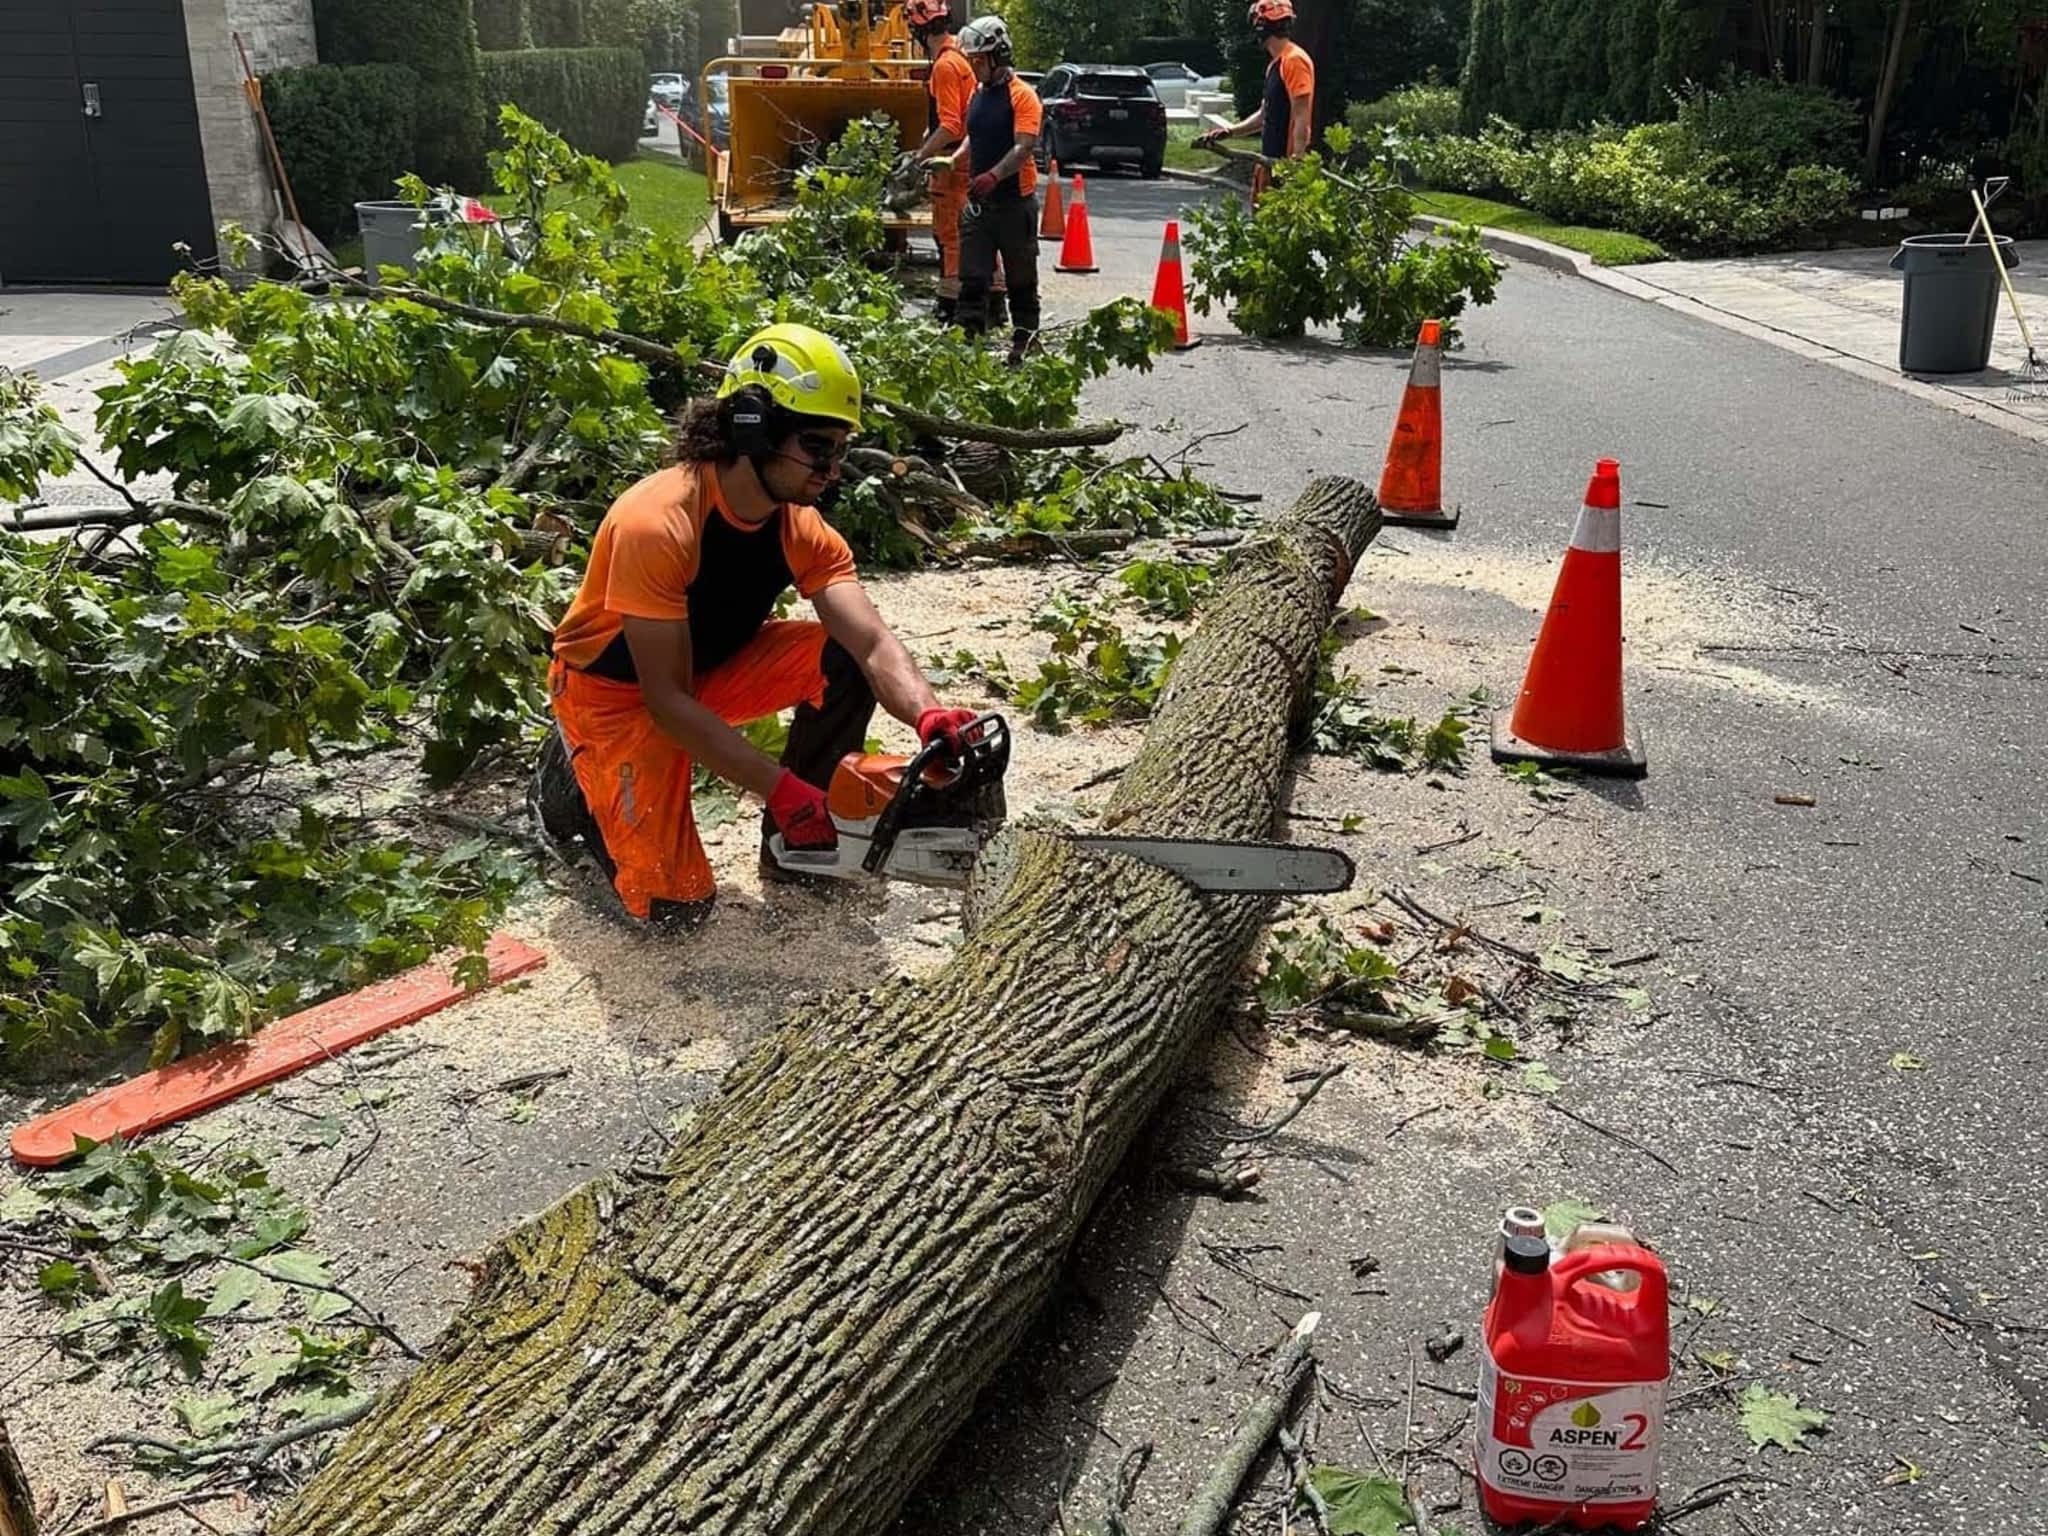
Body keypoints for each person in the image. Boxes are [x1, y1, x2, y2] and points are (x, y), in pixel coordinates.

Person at [531, 322, 979, 932]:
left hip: (712, 669)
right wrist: (779, 787)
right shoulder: (659, 523)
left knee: (841, 658)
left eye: (841, 450)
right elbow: (665, 702)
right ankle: (576, 787)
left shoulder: (799, 526)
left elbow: (870, 641)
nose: (832, 468)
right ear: (753, 427)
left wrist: (928, 713)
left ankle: (801, 851)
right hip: (619, 699)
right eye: (818, 448)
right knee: (675, 911)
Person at [950, 15, 1041, 366]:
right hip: (979, 205)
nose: (973, 67)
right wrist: (955, 160)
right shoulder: (977, 92)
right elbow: (975, 134)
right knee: (972, 277)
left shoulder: (1023, 96)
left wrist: (994, 175)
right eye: (970, 61)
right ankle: (965, 345)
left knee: (1020, 278)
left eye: (977, 61)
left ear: (998, 56)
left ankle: (1025, 340)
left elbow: (1023, 147)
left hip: (1014, 203)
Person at [1194, 0, 1315, 201]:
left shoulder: (1294, 61)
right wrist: (1230, 132)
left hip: (1284, 168)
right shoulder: (1276, 65)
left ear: (1262, 26)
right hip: (1268, 164)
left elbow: (1302, 117)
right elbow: (1264, 116)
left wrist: (1296, 163)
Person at [904, 0, 976, 325]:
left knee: (949, 237)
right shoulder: (960, 56)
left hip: (953, 166)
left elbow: (950, 126)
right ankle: (994, 304)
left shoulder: (945, 66)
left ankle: (950, 308)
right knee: (973, 234)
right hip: (967, 159)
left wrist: (920, 157)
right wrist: (925, 139)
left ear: (919, 28)